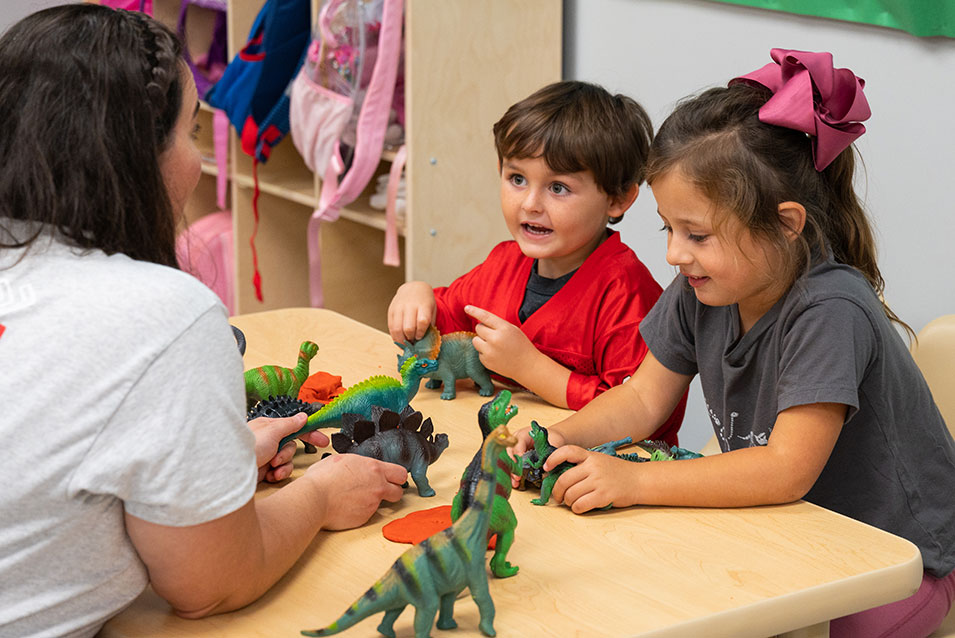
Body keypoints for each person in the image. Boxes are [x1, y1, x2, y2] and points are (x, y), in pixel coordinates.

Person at [513, 50, 955, 636]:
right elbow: (643, 400)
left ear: (787, 223)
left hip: (900, 557)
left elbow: (784, 469)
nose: (674, 253)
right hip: (799, 535)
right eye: (669, 229)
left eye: (696, 234)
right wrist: (562, 436)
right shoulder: (703, 286)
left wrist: (636, 480)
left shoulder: (830, 310)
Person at [0, 6, 407, 637]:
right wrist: (323, 494)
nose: (196, 163)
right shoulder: (164, 315)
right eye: (191, 133)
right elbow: (212, 584)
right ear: (137, 158)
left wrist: (215, 462)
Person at [388, 81, 687, 442]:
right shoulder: (504, 262)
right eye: (517, 179)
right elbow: (446, 321)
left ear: (618, 199)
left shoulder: (627, 293)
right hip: (510, 447)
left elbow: (632, 411)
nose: (530, 203)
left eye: (558, 187)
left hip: (604, 470)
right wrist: (415, 295)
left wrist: (529, 367)